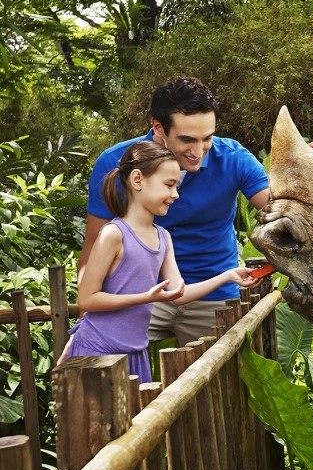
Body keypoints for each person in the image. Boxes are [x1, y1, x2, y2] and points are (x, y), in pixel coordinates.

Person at [78, 76, 274, 348]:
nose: (198, 151)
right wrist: (88, 307)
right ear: (158, 127)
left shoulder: (233, 158)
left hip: (213, 294)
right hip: (139, 295)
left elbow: (278, 209)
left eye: (207, 138)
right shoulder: (115, 162)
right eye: (187, 139)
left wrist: (303, 174)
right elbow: (93, 242)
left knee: (215, 387)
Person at [60, 141, 256, 382]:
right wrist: (146, 298)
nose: (175, 194)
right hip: (99, 351)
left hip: (135, 353)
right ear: (137, 180)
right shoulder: (113, 234)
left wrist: (228, 275)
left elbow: (178, 293)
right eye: (169, 185)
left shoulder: (163, 237)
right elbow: (87, 299)